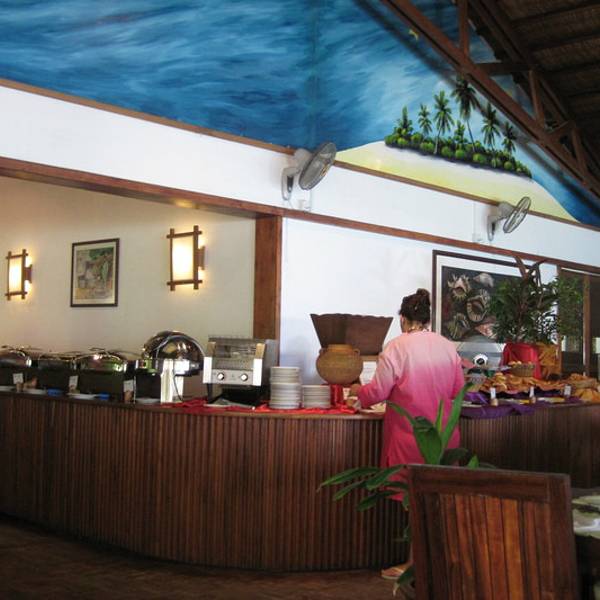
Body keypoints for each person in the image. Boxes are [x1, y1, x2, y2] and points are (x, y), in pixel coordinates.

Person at [348, 288, 464, 580]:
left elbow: (378, 392)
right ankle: (435, 563)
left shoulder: (396, 347)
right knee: (435, 499)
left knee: (416, 501)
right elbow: (457, 390)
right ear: (427, 319)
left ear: (402, 318)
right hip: (443, 435)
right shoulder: (447, 347)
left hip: (411, 434)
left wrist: (357, 391)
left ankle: (414, 566)